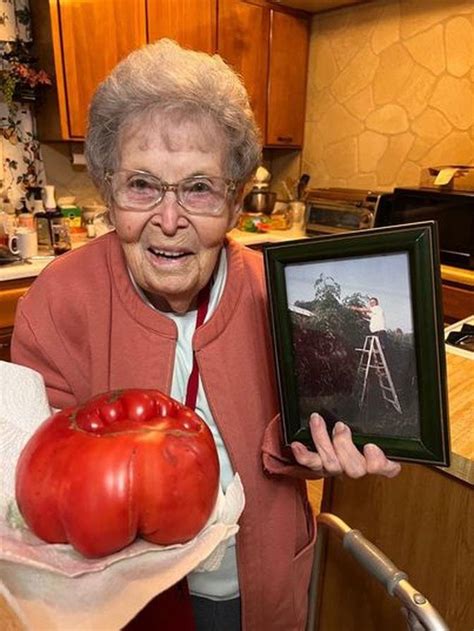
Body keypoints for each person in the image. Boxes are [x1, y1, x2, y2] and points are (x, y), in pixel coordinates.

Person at [11, 39, 400, 631]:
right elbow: (43, 493)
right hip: (124, 608)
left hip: (260, 584)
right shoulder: (57, 301)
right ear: (108, 190)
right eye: (143, 184)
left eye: (199, 188)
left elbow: (306, 436)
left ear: (237, 199)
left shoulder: (282, 296)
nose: (170, 220)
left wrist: (325, 446)